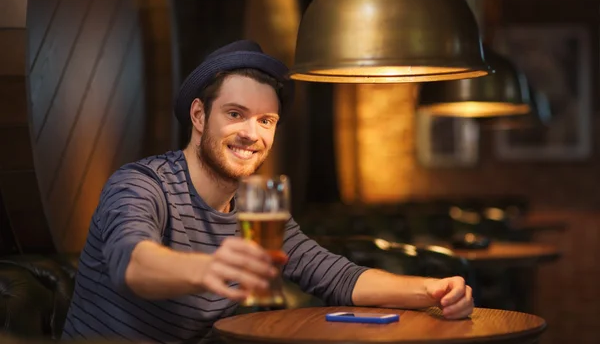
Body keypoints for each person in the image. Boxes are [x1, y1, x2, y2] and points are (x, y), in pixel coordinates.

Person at [62, 40, 473, 343]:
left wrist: (433, 290)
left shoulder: (257, 212)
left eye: (266, 120)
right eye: (236, 114)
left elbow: (339, 278)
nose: (251, 134)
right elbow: (131, 264)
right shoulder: (140, 183)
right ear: (200, 116)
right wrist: (209, 268)